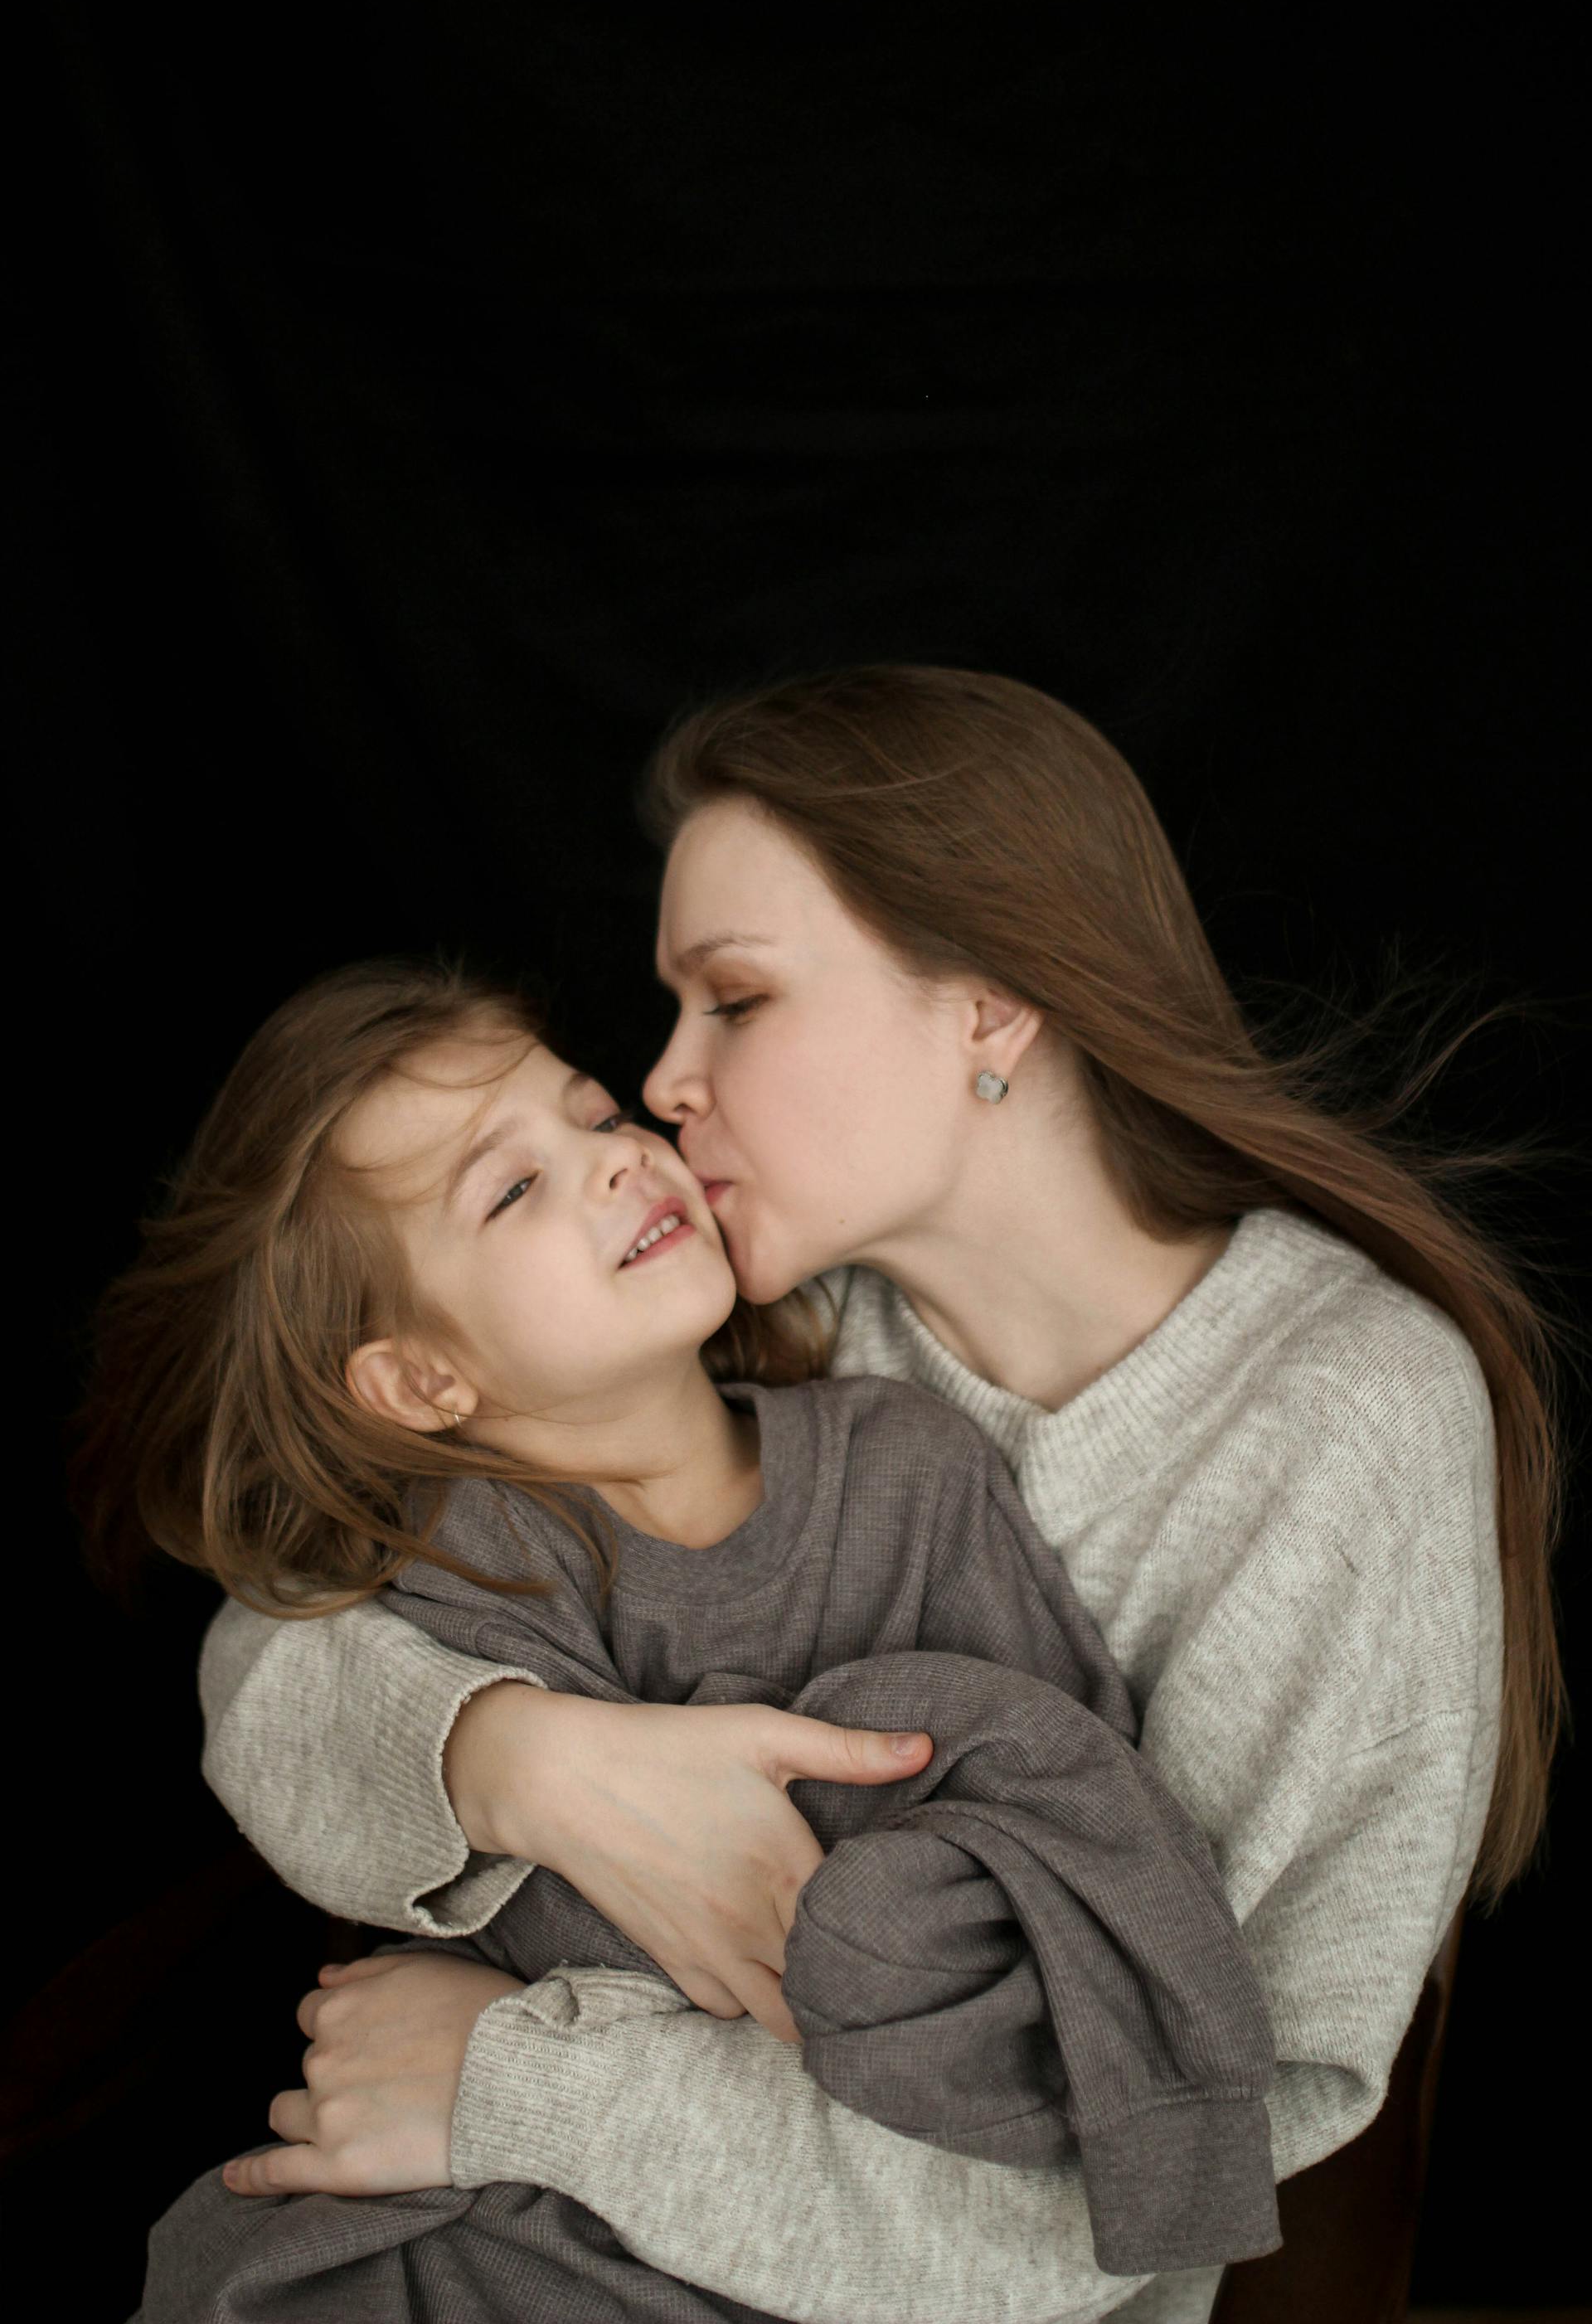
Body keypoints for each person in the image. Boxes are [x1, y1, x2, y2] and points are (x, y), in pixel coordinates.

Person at [99, 667, 1564, 2324]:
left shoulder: (1337, 1422)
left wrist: (518, 2083)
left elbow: (1165, 2131)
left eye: (734, 1000)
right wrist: (520, 1760)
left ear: (988, 1002)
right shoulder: (778, 1317)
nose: (661, 1084)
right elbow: (288, 1650)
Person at [82, 963, 1283, 2317]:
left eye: (592, 1118)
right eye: (511, 1188)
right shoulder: (451, 1564)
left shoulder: (904, 1469)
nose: (611, 1163)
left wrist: (902, 1919)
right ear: (424, 1377)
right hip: (498, 2218)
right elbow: (334, 1766)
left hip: (800, 2222)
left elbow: (1070, 1817)